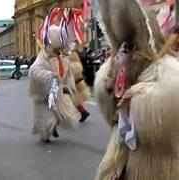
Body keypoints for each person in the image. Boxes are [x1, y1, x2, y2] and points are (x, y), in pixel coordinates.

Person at [95, 0, 179, 179]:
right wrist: (107, 88)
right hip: (123, 146)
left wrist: (134, 100)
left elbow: (169, 107)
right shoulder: (120, 60)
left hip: (155, 158)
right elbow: (111, 113)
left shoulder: (168, 67)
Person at [29, 7, 86, 143]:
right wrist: (49, 76)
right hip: (44, 91)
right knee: (46, 115)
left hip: (58, 90)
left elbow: (67, 72)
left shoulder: (62, 57)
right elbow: (34, 70)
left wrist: (69, 83)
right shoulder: (43, 56)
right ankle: (46, 132)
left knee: (63, 112)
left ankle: (53, 126)